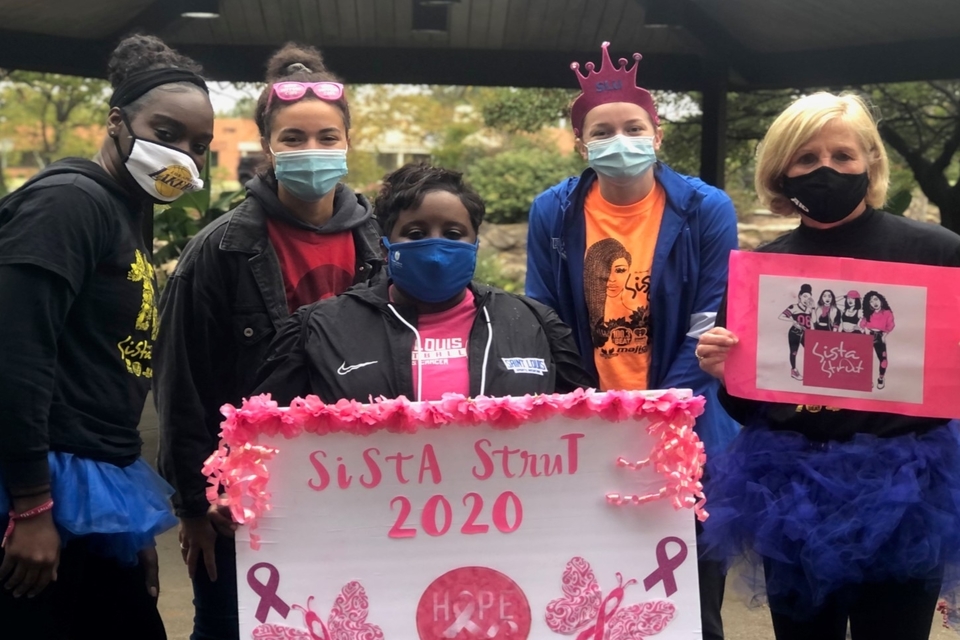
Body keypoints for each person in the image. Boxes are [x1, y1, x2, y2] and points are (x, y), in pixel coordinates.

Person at [695, 92, 960, 640]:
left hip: (908, 490)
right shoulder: (762, 269)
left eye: (843, 156)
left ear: (871, 164)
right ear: (781, 171)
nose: (826, 170)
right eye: (807, 158)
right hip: (791, 491)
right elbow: (748, 406)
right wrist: (727, 372)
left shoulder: (938, 253)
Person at [154, 43, 382, 640]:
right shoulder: (218, 249)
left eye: (328, 137)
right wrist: (192, 504)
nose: (313, 151)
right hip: (242, 501)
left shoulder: (382, 244)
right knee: (236, 625)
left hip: (356, 486)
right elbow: (182, 383)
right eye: (295, 138)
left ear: (348, 142)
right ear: (267, 145)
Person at [0, 34, 214, 638]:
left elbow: (103, 365)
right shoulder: (68, 204)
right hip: (44, 494)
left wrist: (125, 528)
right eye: (167, 132)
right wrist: (33, 507)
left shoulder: (124, 209)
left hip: (98, 485)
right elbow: (17, 356)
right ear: (117, 121)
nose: (183, 155)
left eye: (200, 146)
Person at [525, 42, 739, 640]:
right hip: (588, 427)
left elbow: (709, 317)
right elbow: (545, 316)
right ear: (581, 143)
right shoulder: (553, 212)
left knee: (692, 595)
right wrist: (595, 410)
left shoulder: (705, 210)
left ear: (657, 133)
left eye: (633, 126)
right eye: (603, 130)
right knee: (593, 587)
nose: (620, 140)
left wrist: (659, 413)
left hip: (687, 427)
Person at [255, 163, 594, 405]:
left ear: (476, 242)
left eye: (453, 234)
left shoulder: (536, 324)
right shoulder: (320, 328)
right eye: (415, 234)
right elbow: (264, 428)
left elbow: (584, 426)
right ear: (386, 245)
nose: (435, 249)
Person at [779, 284, 814, 379]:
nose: (806, 299)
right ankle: (794, 370)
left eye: (809, 297)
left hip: (806, 333)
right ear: (800, 296)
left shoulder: (809, 309)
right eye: (805, 296)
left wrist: (813, 308)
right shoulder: (794, 307)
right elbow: (781, 316)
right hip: (795, 332)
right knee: (794, 352)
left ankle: (811, 371)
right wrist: (793, 321)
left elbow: (813, 321)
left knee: (812, 351)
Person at [860, 290, 894, 388]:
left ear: (881, 300)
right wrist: (865, 329)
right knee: (865, 359)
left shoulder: (887, 313)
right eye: (871, 301)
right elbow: (862, 323)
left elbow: (891, 325)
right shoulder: (868, 313)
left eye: (875, 299)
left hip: (880, 336)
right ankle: (867, 379)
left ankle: (881, 378)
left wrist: (884, 335)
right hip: (868, 335)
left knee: (883, 359)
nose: (874, 303)